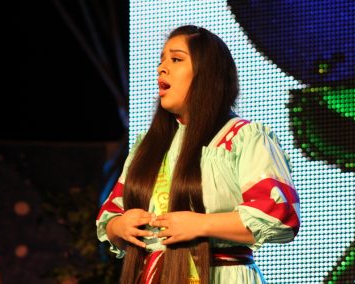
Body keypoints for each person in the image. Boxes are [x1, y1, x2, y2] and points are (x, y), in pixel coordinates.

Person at [96, 25, 300, 284]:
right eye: (161, 60)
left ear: (208, 74)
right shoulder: (148, 146)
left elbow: (278, 215)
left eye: (176, 59)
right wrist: (121, 226)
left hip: (221, 273)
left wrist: (199, 225)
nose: (161, 68)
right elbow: (110, 216)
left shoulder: (243, 137)